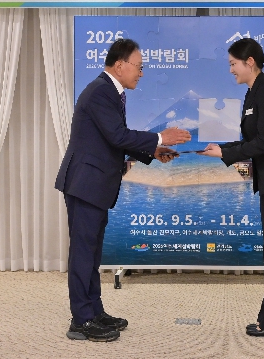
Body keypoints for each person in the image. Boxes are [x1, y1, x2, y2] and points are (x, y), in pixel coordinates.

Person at [55, 38, 191, 342]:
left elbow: (111, 139)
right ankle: (81, 321)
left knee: (92, 253)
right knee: (83, 253)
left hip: (94, 183)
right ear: (120, 65)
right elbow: (117, 136)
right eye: (138, 67)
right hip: (86, 183)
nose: (141, 73)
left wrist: (152, 151)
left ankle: (94, 311)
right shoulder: (101, 91)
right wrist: (160, 137)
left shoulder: (111, 92)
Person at [199, 38, 264, 337]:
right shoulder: (253, 92)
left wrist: (226, 154)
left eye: (233, 64)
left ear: (250, 62)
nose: (230, 70)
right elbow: (252, 139)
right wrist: (222, 148)